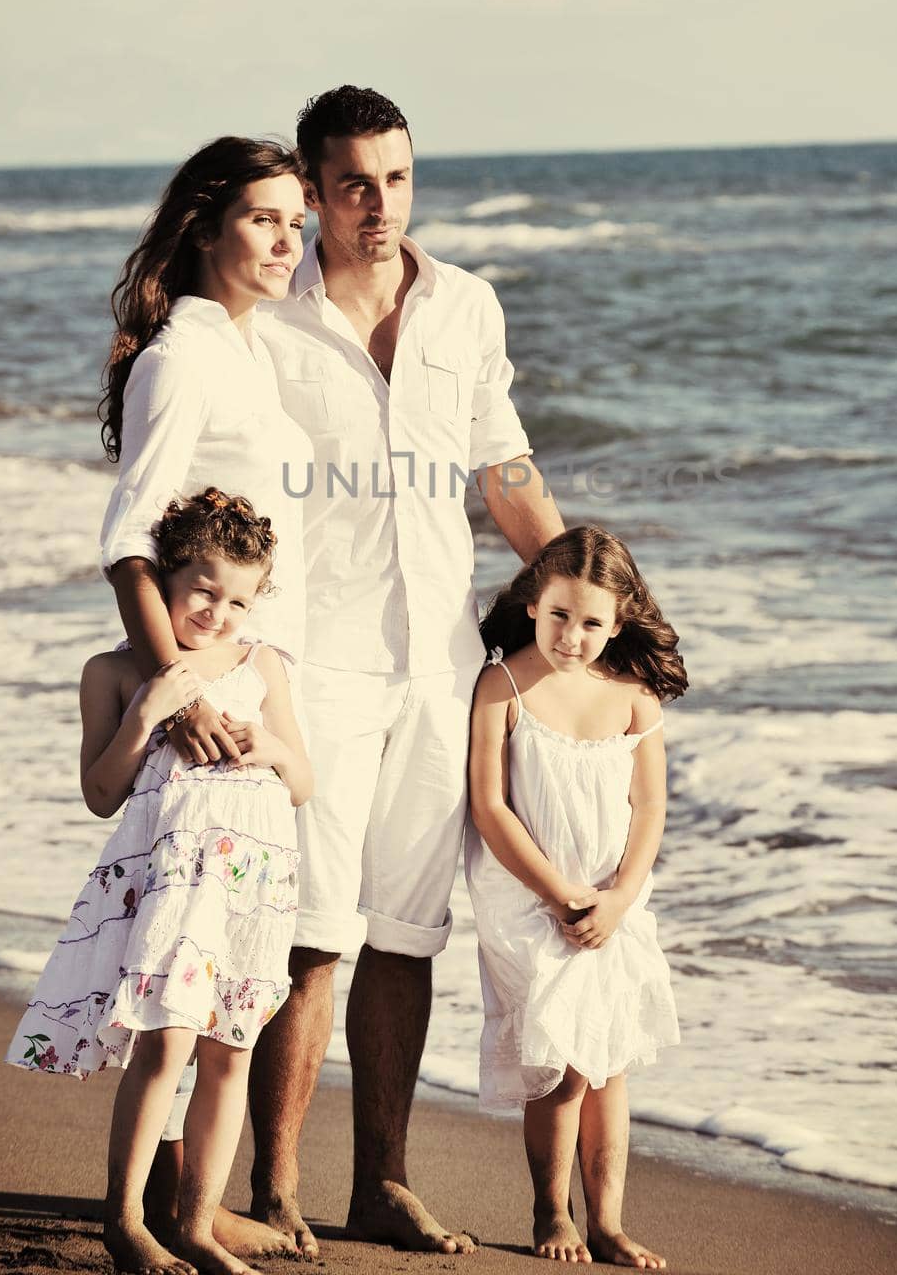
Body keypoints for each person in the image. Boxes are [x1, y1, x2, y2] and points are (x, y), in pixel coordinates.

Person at [249, 84, 564, 1257]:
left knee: (403, 933)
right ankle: (272, 1186)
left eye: (395, 178)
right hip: (308, 665)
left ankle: (378, 1180)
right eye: (350, 183)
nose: (376, 205)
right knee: (309, 933)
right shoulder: (262, 314)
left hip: (438, 666)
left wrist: (596, 590)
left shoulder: (464, 306)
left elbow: (504, 468)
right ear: (312, 186)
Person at [98, 137, 315, 1263]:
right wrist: (177, 690)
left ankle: (191, 1207)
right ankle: (138, 1214)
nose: (290, 241)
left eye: (297, 222)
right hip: (203, 704)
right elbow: (130, 540)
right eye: (268, 220)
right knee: (179, 989)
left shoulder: (246, 346)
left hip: (247, 689)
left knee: (228, 984)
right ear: (206, 227)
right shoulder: (180, 355)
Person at [6, 488, 314, 1275]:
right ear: (164, 581)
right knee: (167, 1040)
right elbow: (100, 792)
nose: (217, 612)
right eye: (202, 590)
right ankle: (126, 1218)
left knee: (228, 1049)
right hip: (173, 882)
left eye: (238, 599)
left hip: (250, 888)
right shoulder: (111, 671)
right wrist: (146, 715)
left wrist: (271, 747)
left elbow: (304, 781)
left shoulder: (263, 665)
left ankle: (198, 1223)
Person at [465, 525, 687, 1269]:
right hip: (529, 898)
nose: (573, 635)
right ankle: (549, 1211)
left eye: (592, 622)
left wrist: (619, 898)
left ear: (619, 622)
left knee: (608, 1061)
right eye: (559, 614)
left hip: (610, 903)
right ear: (533, 603)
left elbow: (650, 809)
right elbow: (490, 808)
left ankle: (609, 1223)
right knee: (562, 1066)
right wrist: (561, 895)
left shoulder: (632, 695)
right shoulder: (504, 685)